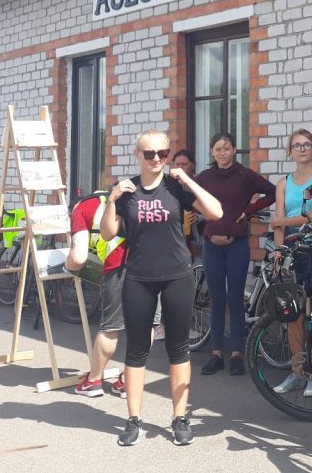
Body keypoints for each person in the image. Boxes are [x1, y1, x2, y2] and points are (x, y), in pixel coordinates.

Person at [101, 129, 222, 446]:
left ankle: (179, 418)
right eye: (149, 153)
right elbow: (107, 233)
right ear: (137, 155)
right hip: (138, 277)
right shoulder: (126, 190)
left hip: (176, 276)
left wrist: (189, 181)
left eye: (162, 154)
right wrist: (111, 200)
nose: (156, 159)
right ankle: (133, 420)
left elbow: (216, 212)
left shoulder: (175, 187)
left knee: (178, 348)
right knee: (137, 349)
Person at [194, 132, 276, 377]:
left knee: (235, 300)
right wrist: (204, 219)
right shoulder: (204, 177)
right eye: (218, 148)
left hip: (237, 245)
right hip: (212, 246)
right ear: (212, 152)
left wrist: (249, 210)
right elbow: (186, 196)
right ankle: (216, 354)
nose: (222, 152)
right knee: (217, 299)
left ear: (234, 150)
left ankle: (237, 354)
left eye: (227, 148)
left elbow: (272, 192)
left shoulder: (244, 175)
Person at [271, 129, 312, 397]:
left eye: (307, 145)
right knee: (294, 312)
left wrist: (279, 221)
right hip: (290, 249)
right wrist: (278, 251)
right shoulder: (283, 183)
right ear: (290, 151)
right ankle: (297, 372)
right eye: (297, 145)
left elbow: (311, 215)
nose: (302, 149)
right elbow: (280, 221)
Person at [65, 181, 127, 399]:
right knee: (145, 325)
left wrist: (67, 266)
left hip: (118, 269)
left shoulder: (83, 208)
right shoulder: (133, 199)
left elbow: (78, 257)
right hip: (151, 266)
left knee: (110, 326)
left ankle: (93, 381)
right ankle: (128, 381)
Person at [172, 150, 202, 259]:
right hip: (176, 236)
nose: (180, 168)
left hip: (200, 235)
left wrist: (199, 217)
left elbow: (215, 209)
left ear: (192, 165)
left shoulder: (200, 183)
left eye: (184, 164)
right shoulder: (168, 184)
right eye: (177, 164)